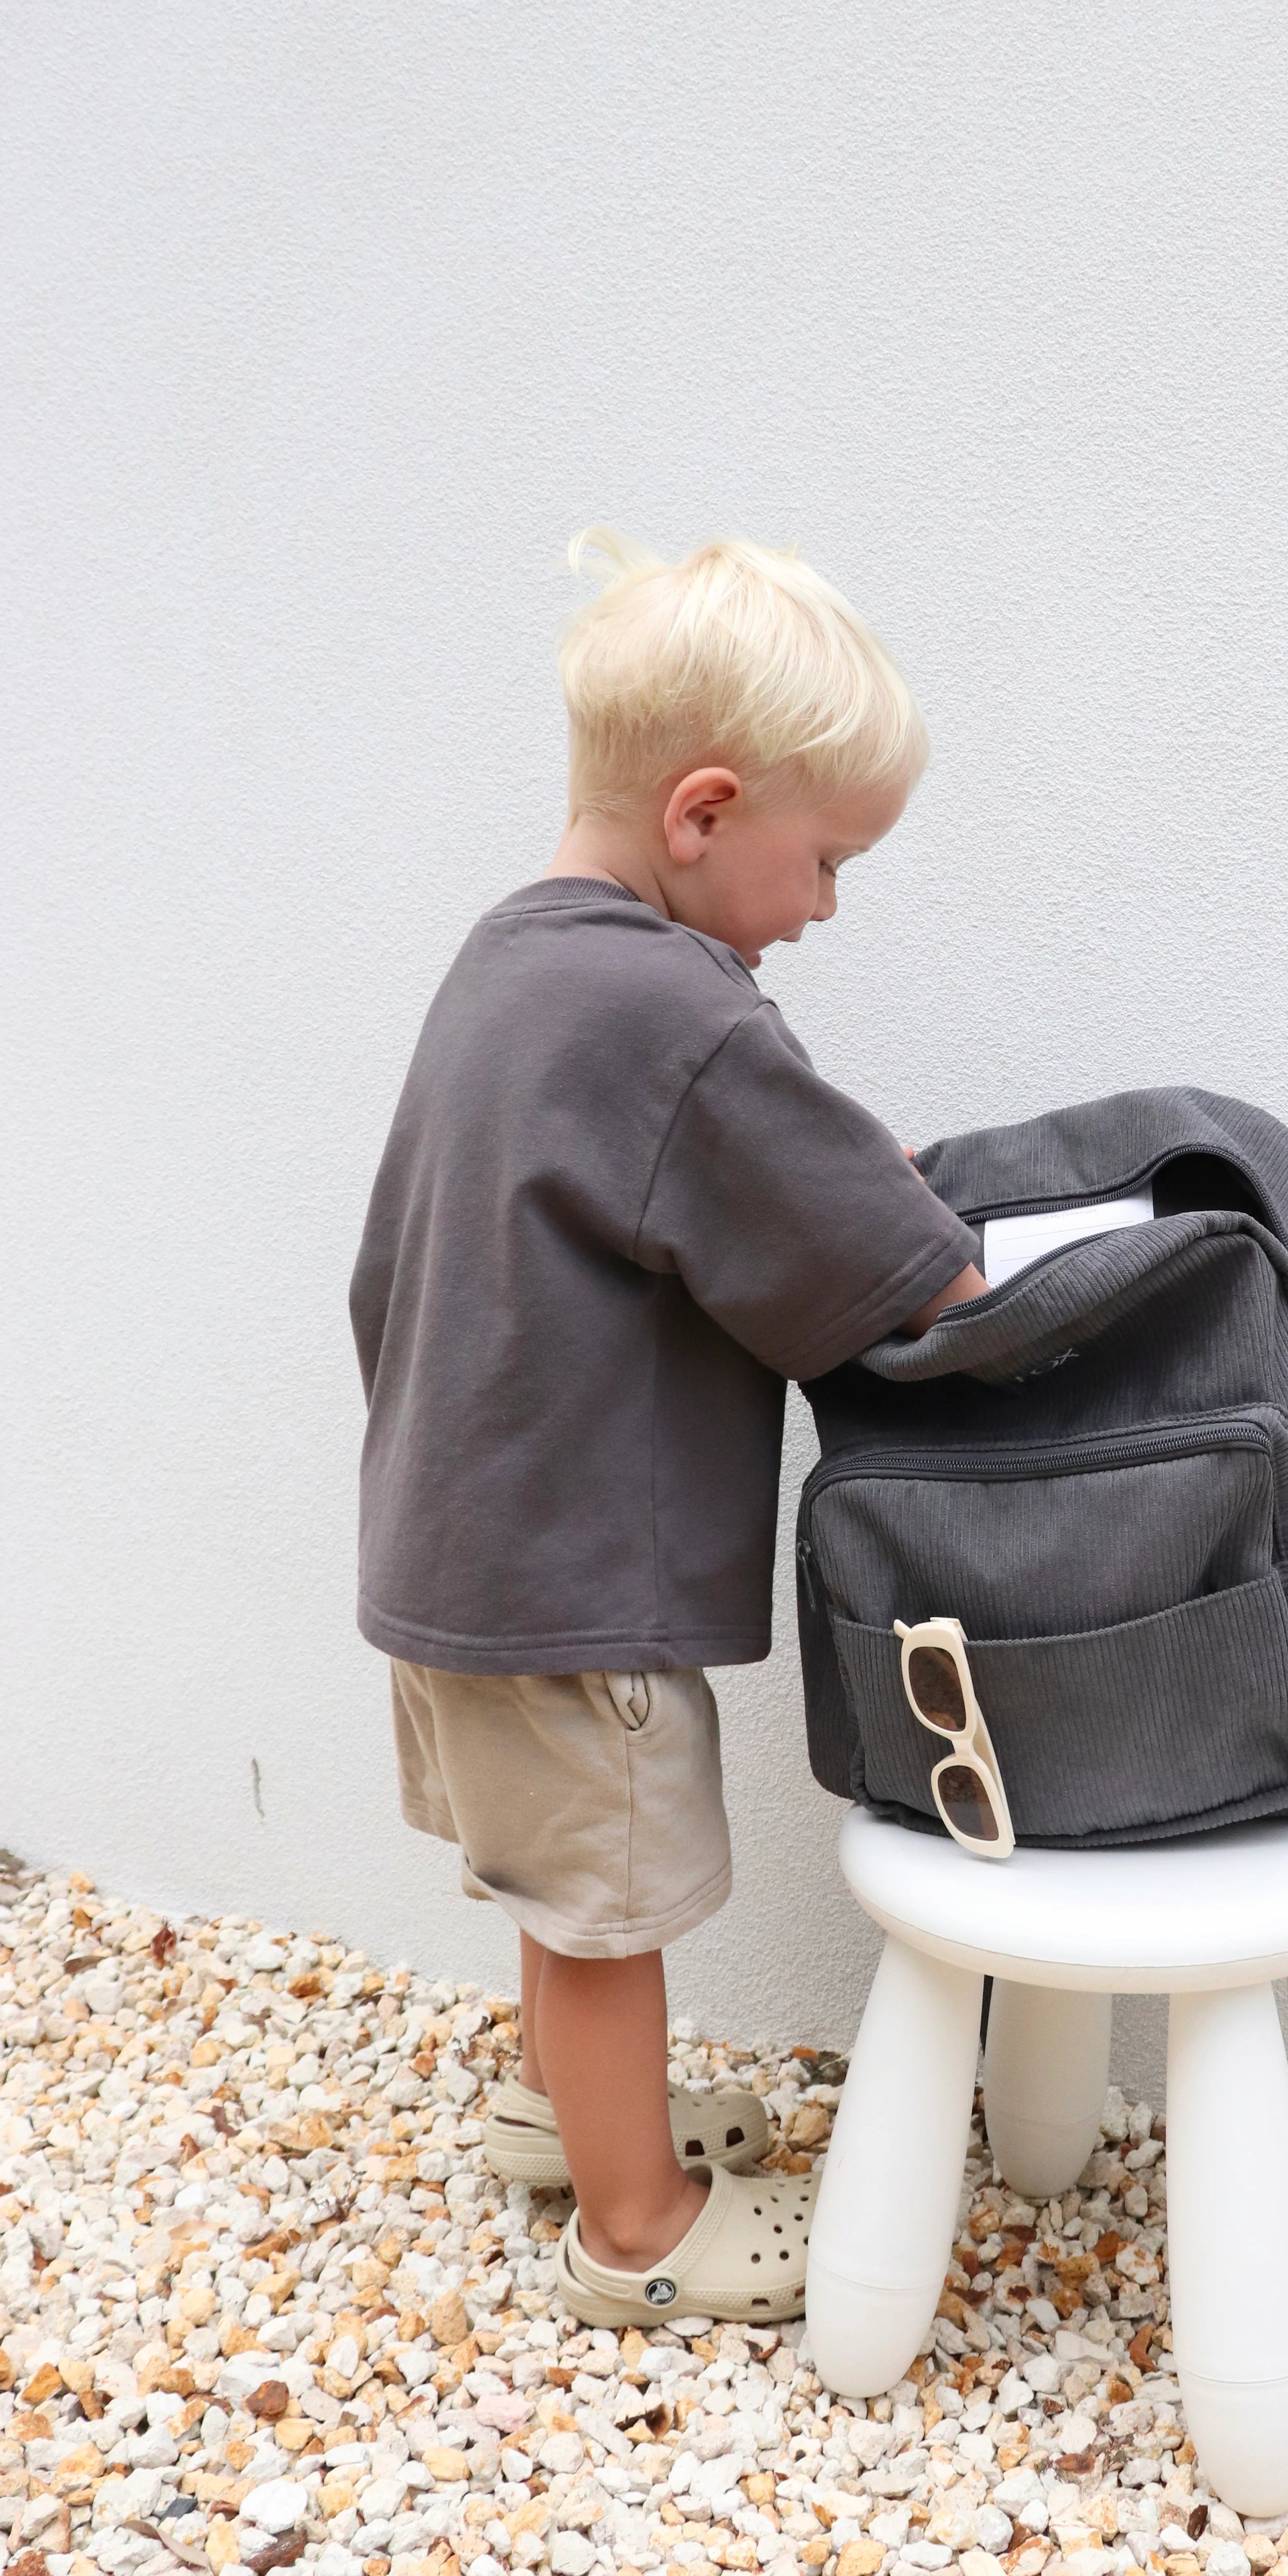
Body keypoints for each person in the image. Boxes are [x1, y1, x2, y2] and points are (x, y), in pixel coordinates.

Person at [348, 530, 987, 2326]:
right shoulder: (674, 1010)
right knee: (615, 1901)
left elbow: (405, 1245)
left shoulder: (511, 962)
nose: (829, 910)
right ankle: (637, 2227)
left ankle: (559, 2113)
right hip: (577, 1570)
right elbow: (833, 1235)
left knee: (555, 1881)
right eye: (829, 860)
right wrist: (964, 1279)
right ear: (703, 812)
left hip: (450, 1539)